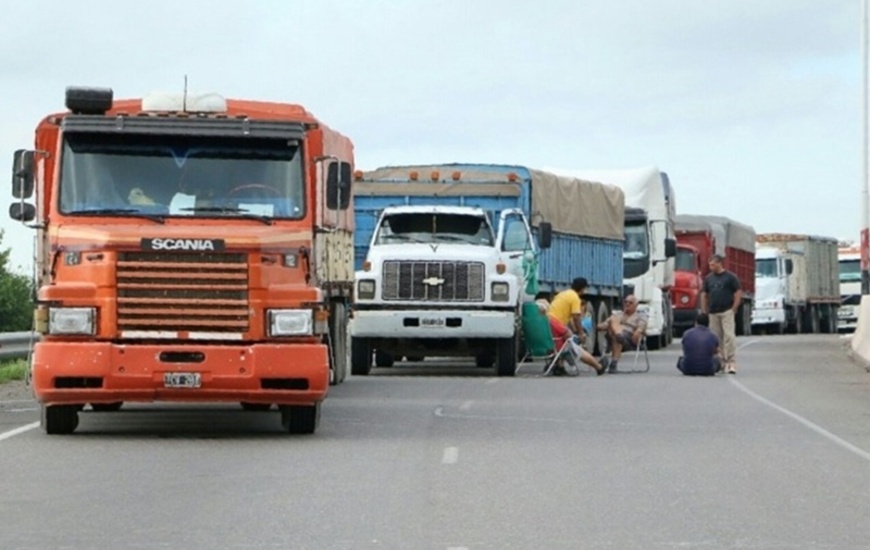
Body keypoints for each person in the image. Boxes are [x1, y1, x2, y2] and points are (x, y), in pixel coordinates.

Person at [545, 278, 606, 376]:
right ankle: (598, 366)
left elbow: (568, 318)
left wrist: (574, 330)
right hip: (557, 325)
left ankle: (559, 366)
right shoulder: (575, 298)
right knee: (574, 347)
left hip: (547, 323)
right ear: (583, 289)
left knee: (565, 344)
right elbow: (576, 317)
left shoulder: (562, 294)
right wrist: (581, 333)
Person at [700, 253, 743, 374]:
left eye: (713, 265)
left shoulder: (730, 277)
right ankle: (720, 360)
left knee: (729, 335)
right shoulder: (708, 278)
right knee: (716, 338)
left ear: (719, 263)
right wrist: (704, 310)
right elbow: (704, 294)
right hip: (713, 312)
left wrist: (734, 307)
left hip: (727, 310)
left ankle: (731, 361)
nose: (710, 267)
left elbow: (738, 291)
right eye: (709, 265)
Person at [597, 294, 647, 372]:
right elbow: (604, 325)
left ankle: (618, 336)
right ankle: (613, 364)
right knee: (613, 320)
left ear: (636, 305)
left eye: (630, 303)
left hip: (629, 339)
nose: (627, 304)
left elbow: (642, 326)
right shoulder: (618, 315)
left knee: (616, 337)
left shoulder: (640, 316)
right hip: (614, 335)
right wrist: (597, 326)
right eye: (625, 302)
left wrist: (638, 331)